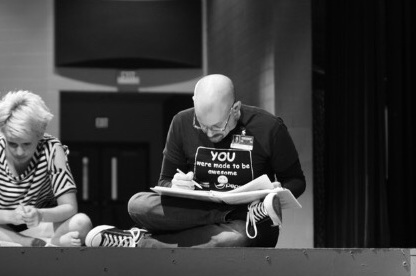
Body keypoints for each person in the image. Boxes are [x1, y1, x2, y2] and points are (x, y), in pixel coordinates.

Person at [86, 74, 305, 248]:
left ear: (235, 109)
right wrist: (175, 185)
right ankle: (229, 215)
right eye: (202, 126)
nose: (210, 133)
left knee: (233, 240)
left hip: (252, 222)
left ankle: (138, 242)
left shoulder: (269, 127)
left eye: (218, 126)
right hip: (196, 211)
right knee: (138, 204)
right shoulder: (181, 122)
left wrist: (278, 189)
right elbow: (164, 181)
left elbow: (296, 181)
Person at [0, 90, 92, 247]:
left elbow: (69, 207)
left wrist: (40, 214)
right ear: (3, 134)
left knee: (82, 222)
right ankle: (41, 244)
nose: (19, 152)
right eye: (12, 144)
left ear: (40, 136)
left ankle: (34, 243)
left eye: (27, 144)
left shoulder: (53, 150)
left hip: (39, 226)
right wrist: (10, 216)